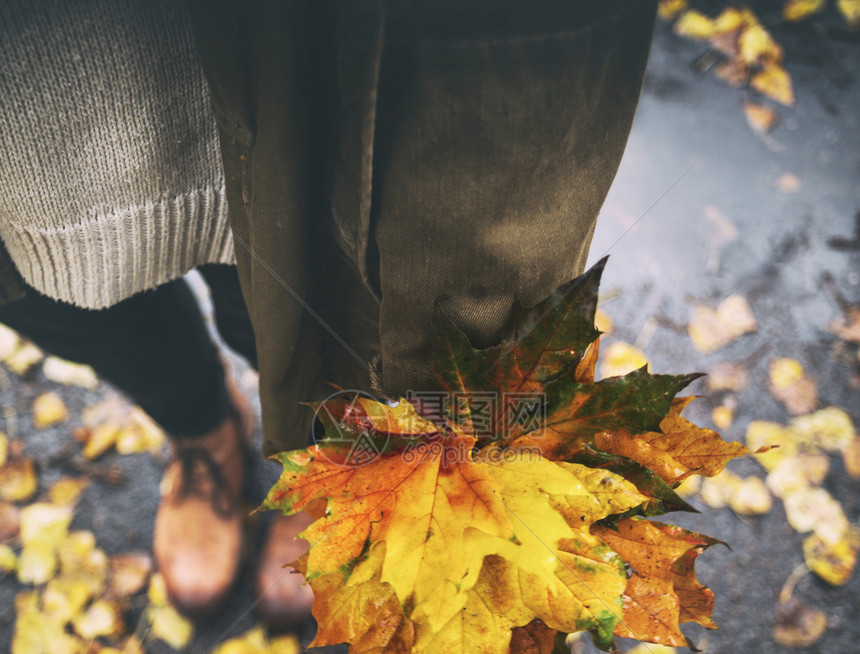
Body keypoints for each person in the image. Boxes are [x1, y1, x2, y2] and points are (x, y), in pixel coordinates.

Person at [0, 0, 658, 622]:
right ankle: (205, 432)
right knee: (76, 302)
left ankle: (316, 460)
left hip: (280, 55)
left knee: (297, 288)